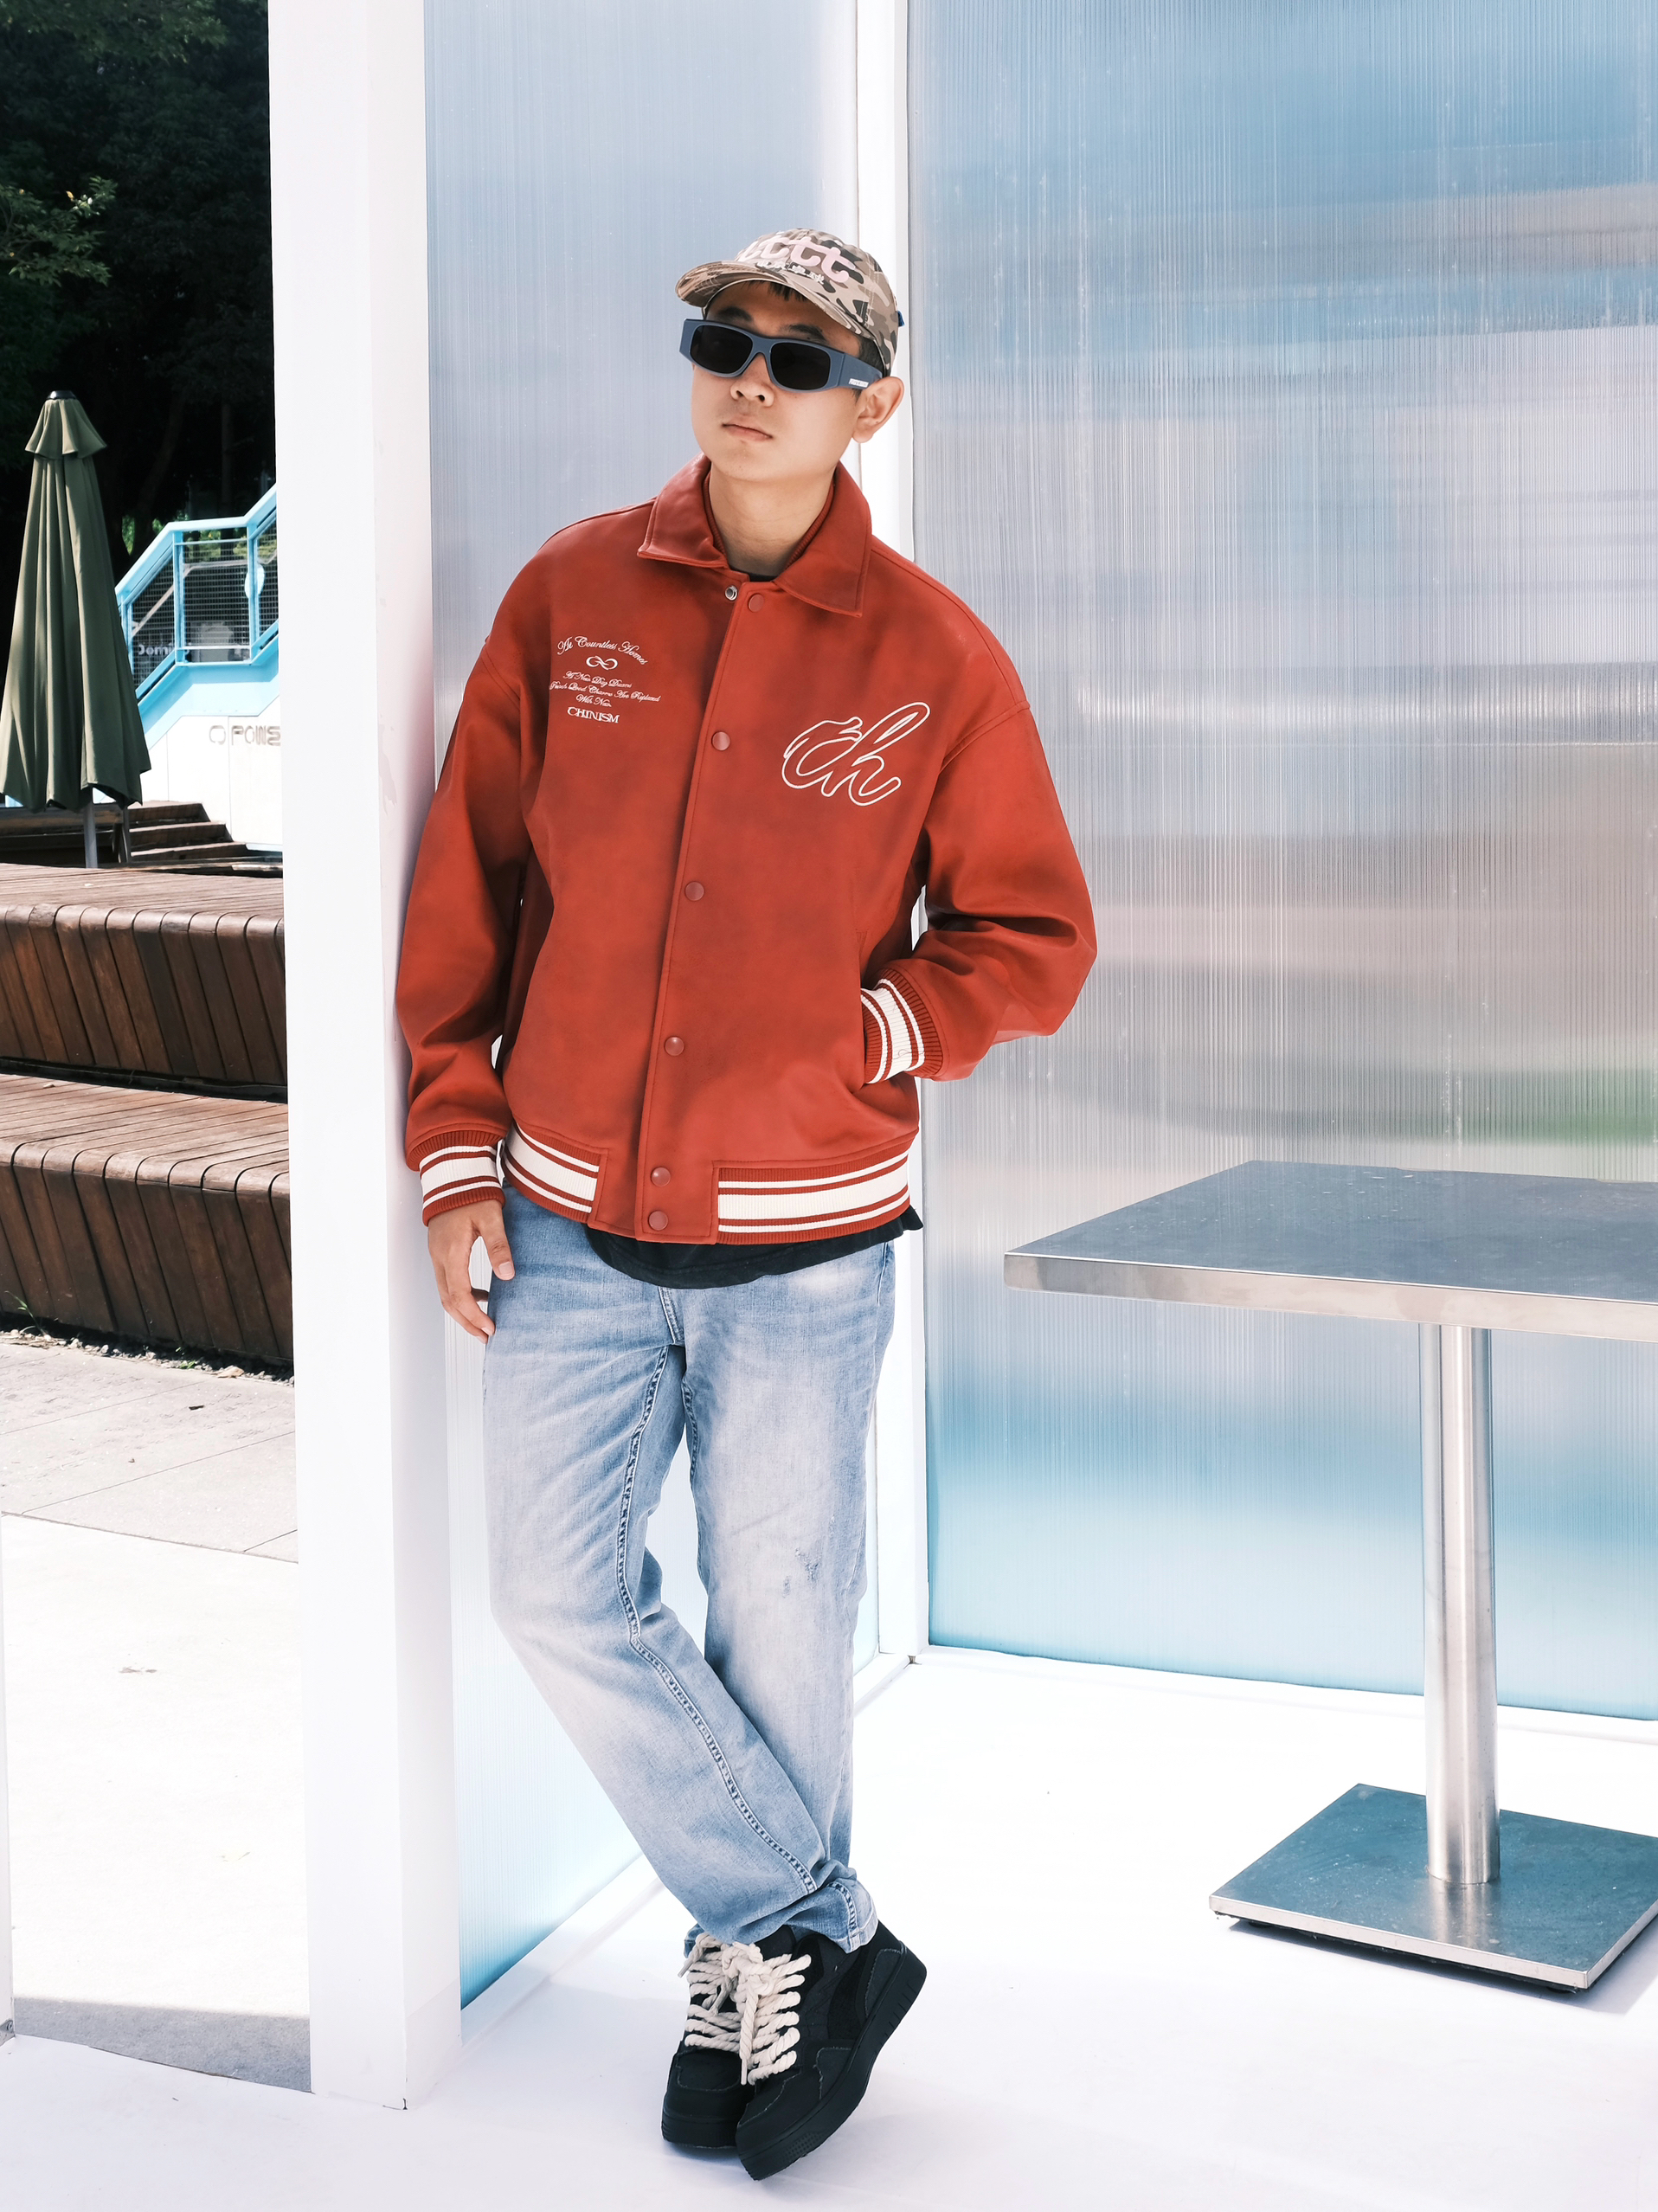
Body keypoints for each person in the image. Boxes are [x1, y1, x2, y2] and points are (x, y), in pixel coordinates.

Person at [395, 227, 1095, 2180]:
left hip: (808, 1244)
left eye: (804, 361)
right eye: (725, 342)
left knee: (779, 1623)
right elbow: (468, 889)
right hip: (565, 1218)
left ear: (875, 403)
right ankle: (816, 1931)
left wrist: (870, 1028)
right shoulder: (571, 595)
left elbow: (1033, 935)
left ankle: (750, 1962)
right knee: (552, 1592)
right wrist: (452, 1148)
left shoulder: (936, 656)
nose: (753, 383)